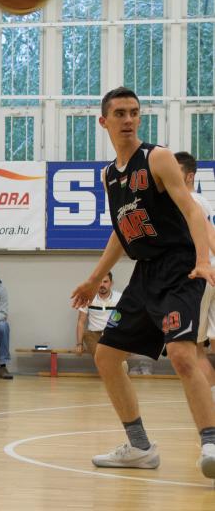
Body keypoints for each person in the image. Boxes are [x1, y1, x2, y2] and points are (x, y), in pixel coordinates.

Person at [71, 87, 215, 477]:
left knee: (183, 354)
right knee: (106, 356)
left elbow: (193, 211)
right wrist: (93, 279)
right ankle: (140, 448)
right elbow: (122, 233)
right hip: (145, 273)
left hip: (181, 267)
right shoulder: (109, 175)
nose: (129, 119)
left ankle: (211, 443)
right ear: (103, 121)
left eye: (134, 112)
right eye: (120, 113)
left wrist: (203, 260)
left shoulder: (158, 158)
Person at [174, 151, 215, 402]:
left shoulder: (189, 200)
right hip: (210, 273)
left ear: (189, 176)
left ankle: (211, 408)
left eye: (175, 171)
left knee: (195, 350)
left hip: (199, 277)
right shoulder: (203, 200)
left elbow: (208, 235)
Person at [75, 271, 121, 357]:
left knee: (113, 354)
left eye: (105, 282)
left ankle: (117, 363)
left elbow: (125, 319)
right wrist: (79, 344)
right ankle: (117, 363)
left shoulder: (119, 298)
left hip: (112, 334)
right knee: (100, 356)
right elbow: (81, 322)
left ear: (111, 283)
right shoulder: (88, 298)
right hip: (93, 335)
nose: (102, 285)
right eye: (99, 282)